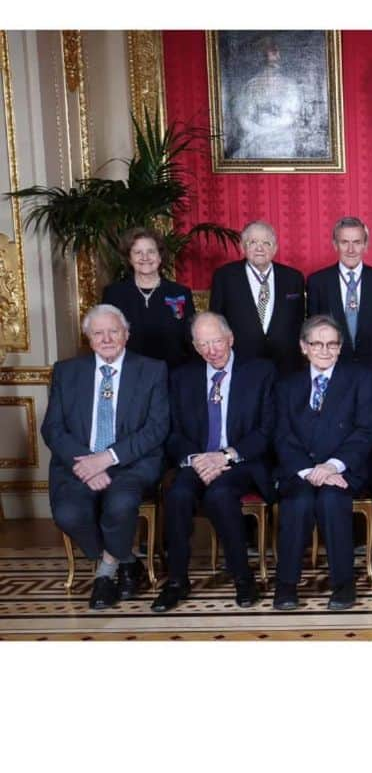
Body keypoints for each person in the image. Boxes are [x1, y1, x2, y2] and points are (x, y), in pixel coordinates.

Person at [40, 304, 169, 609]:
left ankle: (105, 576)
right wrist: (88, 462)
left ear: (126, 334)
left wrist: (108, 458)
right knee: (68, 514)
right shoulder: (67, 371)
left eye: (114, 331)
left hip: (131, 463)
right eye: (99, 333)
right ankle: (127, 560)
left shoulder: (152, 370)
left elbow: (157, 428)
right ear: (89, 338)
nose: (107, 338)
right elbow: (52, 428)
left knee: (120, 505)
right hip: (78, 464)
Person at [152, 312, 276, 612]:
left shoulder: (260, 372)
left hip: (241, 461)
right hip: (198, 461)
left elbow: (268, 429)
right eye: (204, 344)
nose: (213, 350)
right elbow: (173, 432)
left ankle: (243, 578)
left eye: (217, 341)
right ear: (195, 347)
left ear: (230, 339)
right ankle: (177, 581)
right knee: (178, 493)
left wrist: (225, 456)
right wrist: (197, 459)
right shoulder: (182, 378)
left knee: (220, 495)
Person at [272, 315, 372, 611]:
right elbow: (281, 434)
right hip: (300, 470)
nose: (324, 350)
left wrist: (333, 466)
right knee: (299, 503)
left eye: (331, 344)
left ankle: (344, 584)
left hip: (344, 469)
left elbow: (366, 430)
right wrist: (310, 471)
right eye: (317, 344)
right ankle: (287, 585)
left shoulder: (361, 379)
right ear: (303, 347)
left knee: (332, 501)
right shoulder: (286, 385)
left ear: (340, 347)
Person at [306, 216, 372, 381]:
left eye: (357, 242)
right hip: (333, 368)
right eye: (344, 242)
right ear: (335, 245)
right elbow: (313, 331)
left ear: (365, 245)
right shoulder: (318, 282)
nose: (351, 249)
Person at [209, 220, 306, 376]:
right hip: (242, 361)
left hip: (286, 363)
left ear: (275, 248)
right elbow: (216, 320)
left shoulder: (293, 277)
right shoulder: (225, 276)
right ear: (243, 247)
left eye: (266, 243)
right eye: (253, 242)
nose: (260, 248)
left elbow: (300, 319)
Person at [102, 226, 195, 370]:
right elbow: (107, 339)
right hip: (129, 374)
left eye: (151, 251)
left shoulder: (180, 293)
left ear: (160, 257)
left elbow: (190, 339)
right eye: (138, 252)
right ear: (129, 258)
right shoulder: (114, 294)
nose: (145, 257)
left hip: (172, 375)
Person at [232, 36, 303, 161]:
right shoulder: (251, 86)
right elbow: (243, 117)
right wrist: (258, 131)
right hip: (256, 142)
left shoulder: (290, 85)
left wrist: (263, 131)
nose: (274, 57)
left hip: (282, 141)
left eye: (276, 52)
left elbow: (291, 117)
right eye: (268, 54)